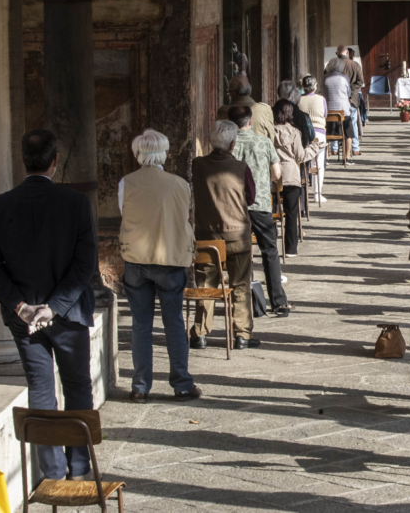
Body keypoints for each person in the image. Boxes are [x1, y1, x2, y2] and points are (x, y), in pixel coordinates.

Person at [0, 129, 95, 481]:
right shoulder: (75, 203)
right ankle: (79, 467)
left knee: (41, 387)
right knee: (76, 386)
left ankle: (52, 471)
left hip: (25, 317)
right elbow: (85, 263)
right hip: (67, 313)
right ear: (55, 161)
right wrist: (55, 306)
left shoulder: (1, 206)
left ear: (23, 161)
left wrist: (20, 306)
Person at [118, 129, 200, 403]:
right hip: (170, 260)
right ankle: (182, 384)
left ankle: (141, 387)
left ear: (138, 155)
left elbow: (124, 213)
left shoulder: (125, 183)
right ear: (164, 153)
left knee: (141, 325)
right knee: (174, 323)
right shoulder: (180, 184)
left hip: (137, 261)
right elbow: (183, 215)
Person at [190, 120, 259, 350]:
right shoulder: (241, 168)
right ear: (232, 144)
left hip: (206, 236)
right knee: (240, 284)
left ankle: (200, 333)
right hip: (237, 236)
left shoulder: (197, 166)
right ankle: (242, 334)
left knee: (205, 284)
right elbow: (250, 197)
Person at [231, 105, 293, 317]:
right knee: (269, 251)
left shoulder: (228, 145)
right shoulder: (264, 142)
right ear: (250, 122)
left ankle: (243, 300)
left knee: (239, 251)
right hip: (260, 204)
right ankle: (278, 301)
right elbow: (276, 173)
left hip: (234, 206)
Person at [273, 100, 322, 257]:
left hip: (272, 176)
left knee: (269, 212)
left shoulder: (269, 132)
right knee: (291, 213)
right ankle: (290, 248)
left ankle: (271, 244)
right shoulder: (294, 132)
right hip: (291, 176)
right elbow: (301, 156)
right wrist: (315, 147)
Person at [299, 75, 329, 203]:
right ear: (315, 86)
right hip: (319, 132)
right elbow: (325, 114)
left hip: (302, 134)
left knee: (303, 162)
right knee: (319, 164)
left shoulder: (299, 100)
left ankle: (302, 193)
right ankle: (317, 194)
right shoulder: (321, 99)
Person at [322, 57, 354, 163]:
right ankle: (347, 157)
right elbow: (348, 93)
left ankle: (326, 157)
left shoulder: (324, 78)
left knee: (326, 134)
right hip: (343, 111)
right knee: (348, 134)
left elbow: (322, 92)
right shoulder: (344, 78)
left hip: (328, 111)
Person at [344, 47, 366, 156]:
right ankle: (355, 148)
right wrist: (352, 89)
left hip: (339, 97)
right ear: (352, 56)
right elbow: (361, 81)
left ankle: (334, 148)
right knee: (353, 122)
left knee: (335, 122)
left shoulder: (335, 65)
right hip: (352, 97)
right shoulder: (355, 65)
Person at [278, 81, 314, 148]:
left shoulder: (271, 111)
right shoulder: (302, 116)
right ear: (293, 95)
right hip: (296, 153)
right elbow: (309, 137)